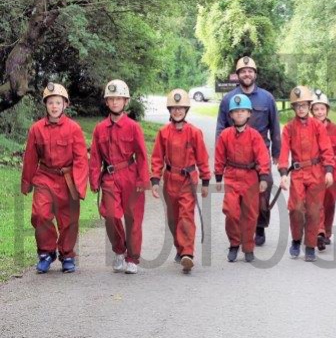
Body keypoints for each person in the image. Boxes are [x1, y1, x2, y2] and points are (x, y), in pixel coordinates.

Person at [21, 83, 89, 273]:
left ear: (65, 104)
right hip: (44, 177)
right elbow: (30, 158)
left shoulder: (74, 129)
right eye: (50, 102)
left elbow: (81, 159)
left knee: (69, 220)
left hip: (67, 179)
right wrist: (26, 182)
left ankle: (67, 255)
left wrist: (80, 185)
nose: (54, 106)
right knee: (40, 214)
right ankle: (46, 252)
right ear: (46, 104)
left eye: (58, 102)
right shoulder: (36, 129)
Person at [215, 56, 280, 247]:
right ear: (238, 75)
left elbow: (275, 126)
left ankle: (259, 226)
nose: (247, 74)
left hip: (260, 154)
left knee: (263, 192)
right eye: (243, 71)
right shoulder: (228, 99)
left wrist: (277, 153)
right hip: (237, 156)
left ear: (255, 74)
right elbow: (221, 128)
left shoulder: (267, 98)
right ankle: (241, 232)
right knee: (237, 199)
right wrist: (221, 156)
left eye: (250, 71)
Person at [89, 80, 150, 274]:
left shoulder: (133, 127)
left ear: (126, 101)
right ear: (106, 102)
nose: (115, 102)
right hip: (109, 177)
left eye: (119, 98)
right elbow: (95, 157)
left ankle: (132, 258)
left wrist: (143, 180)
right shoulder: (100, 128)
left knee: (133, 219)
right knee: (110, 215)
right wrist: (93, 179)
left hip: (130, 175)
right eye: (111, 99)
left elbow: (141, 155)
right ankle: (119, 250)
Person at [150, 89, 211, 274]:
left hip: (187, 181)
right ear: (170, 110)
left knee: (186, 217)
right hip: (170, 180)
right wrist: (155, 180)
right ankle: (180, 248)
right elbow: (157, 158)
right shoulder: (163, 133)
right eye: (174, 108)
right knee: (173, 219)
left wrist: (205, 180)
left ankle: (187, 253)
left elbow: (202, 158)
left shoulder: (194, 132)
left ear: (186, 110)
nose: (177, 111)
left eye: (181, 108)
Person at [278, 86, 334, 262]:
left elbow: (327, 149)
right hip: (298, 173)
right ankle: (296, 239)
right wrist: (283, 173)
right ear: (293, 107)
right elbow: (283, 151)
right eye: (297, 105)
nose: (301, 108)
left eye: (303, 105)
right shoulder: (288, 128)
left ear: (309, 105)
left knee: (313, 210)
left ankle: (310, 246)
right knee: (295, 208)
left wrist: (329, 171)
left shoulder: (317, 126)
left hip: (316, 172)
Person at [215, 94, 270, 263]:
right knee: (231, 212)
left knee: (250, 215)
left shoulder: (254, 135)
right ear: (231, 115)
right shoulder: (225, 135)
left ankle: (248, 247)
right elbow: (219, 156)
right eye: (236, 111)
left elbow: (262, 156)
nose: (239, 114)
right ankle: (234, 243)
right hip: (232, 176)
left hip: (250, 177)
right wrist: (218, 177)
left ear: (249, 114)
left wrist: (263, 177)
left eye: (243, 111)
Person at [310, 89, 336, 251]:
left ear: (327, 110)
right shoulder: (307, 128)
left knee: (329, 203)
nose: (319, 112)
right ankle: (319, 232)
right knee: (316, 203)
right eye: (316, 109)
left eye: (322, 108)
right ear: (312, 111)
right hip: (314, 171)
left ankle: (327, 232)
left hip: (332, 172)